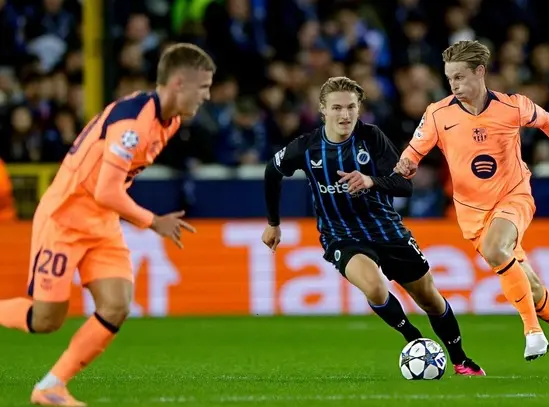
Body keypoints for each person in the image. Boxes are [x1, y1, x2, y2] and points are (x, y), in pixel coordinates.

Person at [0, 43, 215, 406]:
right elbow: (106, 190)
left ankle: (51, 387)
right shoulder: (132, 123)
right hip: (65, 218)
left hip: (102, 222)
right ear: (179, 83)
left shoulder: (172, 121)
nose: (207, 96)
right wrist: (153, 221)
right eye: (203, 87)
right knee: (46, 319)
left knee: (116, 305)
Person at [394, 40, 549, 376]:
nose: (453, 85)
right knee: (531, 287)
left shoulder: (512, 106)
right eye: (449, 78)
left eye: (460, 77)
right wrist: (407, 164)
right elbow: (413, 151)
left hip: (513, 197)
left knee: (496, 249)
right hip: (472, 213)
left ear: (480, 72)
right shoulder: (438, 113)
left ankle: (532, 331)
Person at [262, 76, 485, 376]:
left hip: (386, 230)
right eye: (337, 108)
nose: (345, 115)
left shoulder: (372, 138)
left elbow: (404, 186)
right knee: (374, 287)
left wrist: (370, 180)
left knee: (430, 298)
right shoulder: (307, 147)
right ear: (323, 110)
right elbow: (272, 171)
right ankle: (414, 339)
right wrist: (273, 224)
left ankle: (460, 359)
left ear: (359, 108)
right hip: (341, 235)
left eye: (351, 107)